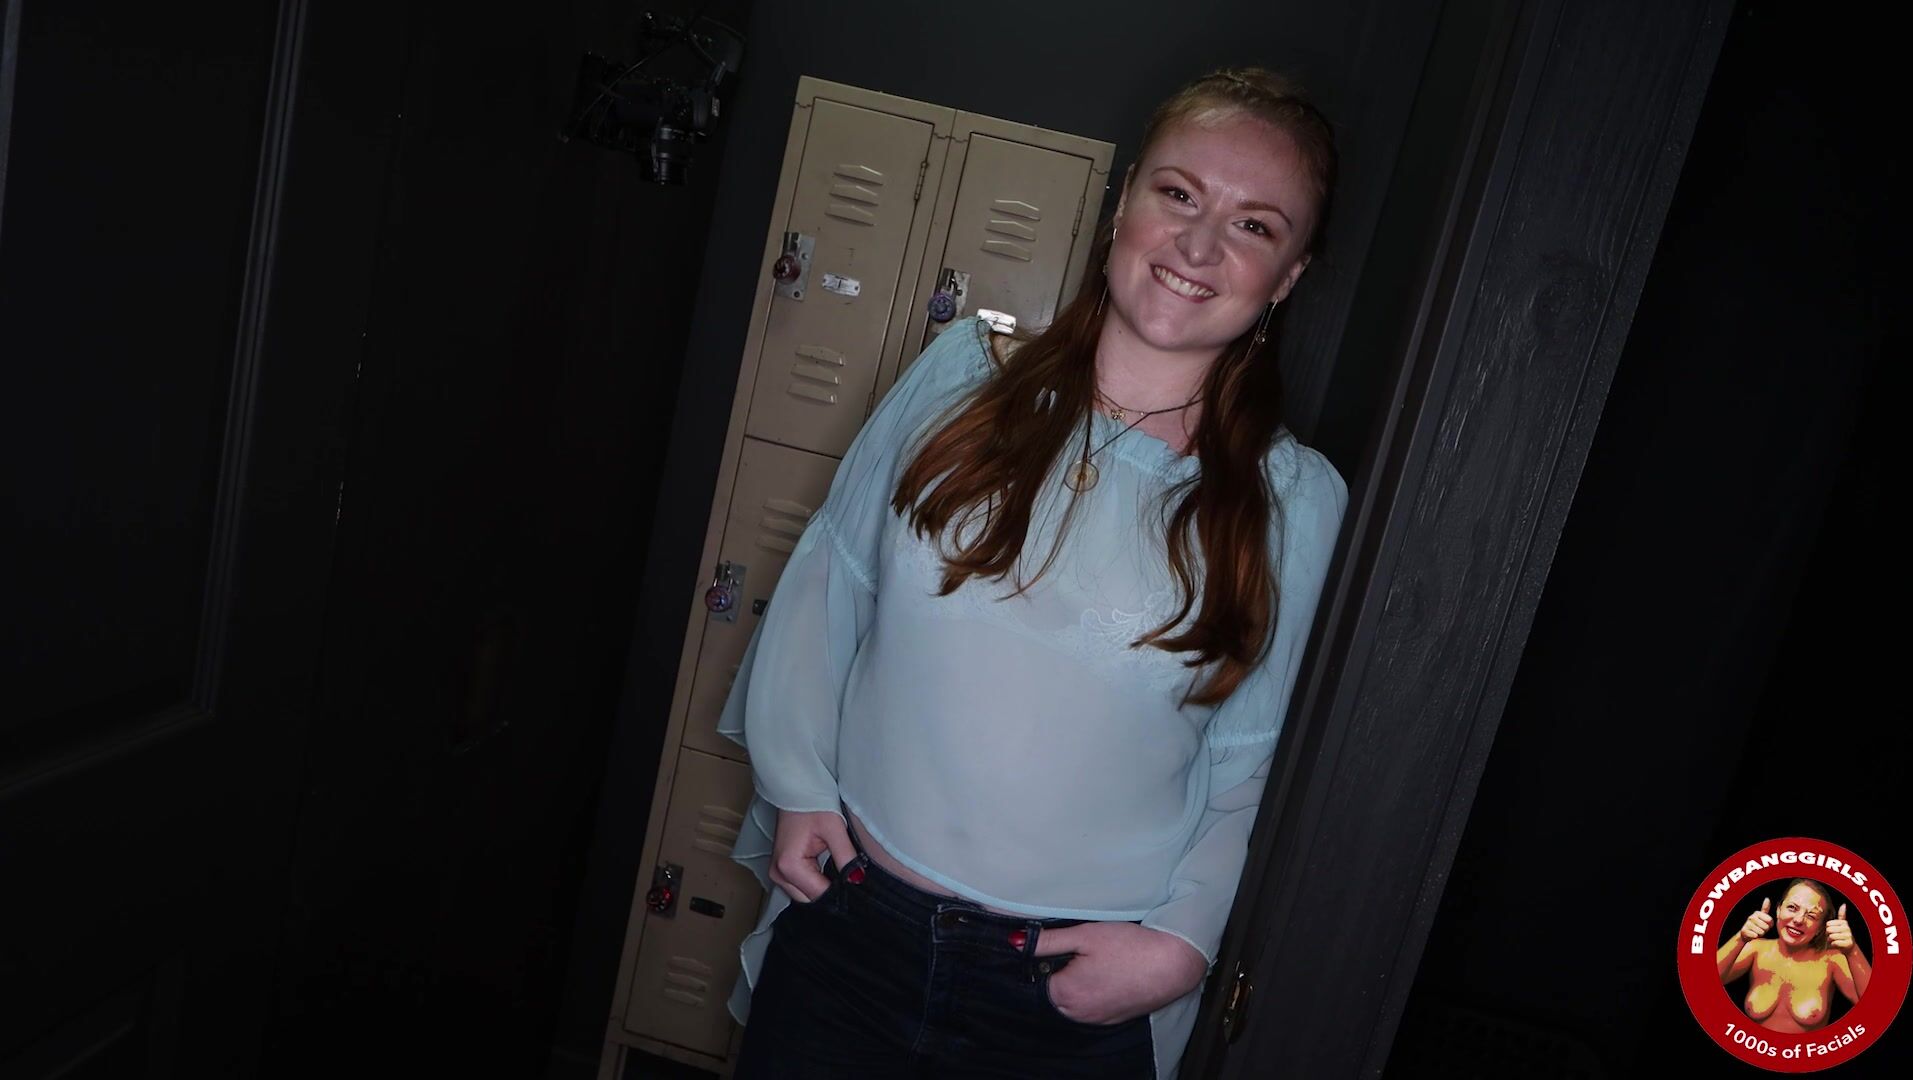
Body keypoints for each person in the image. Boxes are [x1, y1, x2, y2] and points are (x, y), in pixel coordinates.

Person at [716, 67, 1347, 1079]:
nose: (1197, 246)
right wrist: (797, 786)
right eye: (1177, 194)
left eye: (1252, 226)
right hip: (848, 935)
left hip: (1064, 1002)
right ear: (1124, 202)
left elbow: (1250, 766)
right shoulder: (959, 379)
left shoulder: (1293, 501)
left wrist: (1179, 946)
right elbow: (831, 589)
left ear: (1287, 276)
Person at [1717, 878, 1871, 1032]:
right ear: (1778, 910)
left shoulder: (1833, 960)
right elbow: (1705, 983)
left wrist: (1852, 951)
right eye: (1792, 908)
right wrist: (1740, 938)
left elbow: (1875, 1008)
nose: (1798, 920)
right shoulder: (1755, 949)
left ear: (1820, 928)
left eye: (1811, 916)